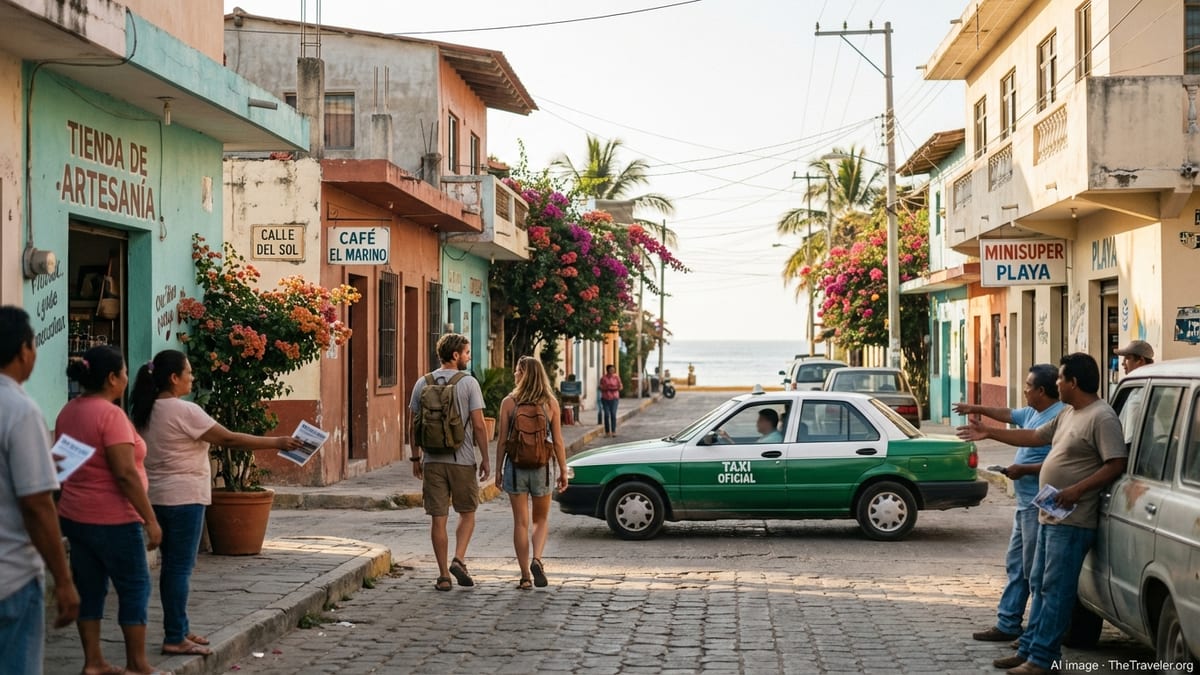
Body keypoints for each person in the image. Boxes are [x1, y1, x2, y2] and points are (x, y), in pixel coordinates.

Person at [958, 353, 1127, 675]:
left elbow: (1115, 463)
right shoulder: (1068, 413)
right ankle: (1030, 649)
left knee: (1057, 588)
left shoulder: (1101, 417)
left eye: (1061, 379)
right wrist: (991, 433)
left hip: (1073, 517)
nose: (1057, 384)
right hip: (1050, 512)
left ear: (1073, 382)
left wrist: (1077, 489)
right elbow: (1034, 436)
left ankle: (1043, 658)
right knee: (1040, 582)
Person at [131, 349, 302, 657]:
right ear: (173, 378)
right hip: (185, 498)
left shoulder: (145, 410)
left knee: (172, 567)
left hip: (157, 497)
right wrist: (276, 442)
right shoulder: (185, 411)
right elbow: (229, 439)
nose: (192, 377)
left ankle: (179, 627)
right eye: (188, 372)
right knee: (180, 569)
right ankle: (174, 635)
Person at [56, 345, 162, 675]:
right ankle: (137, 664)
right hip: (115, 519)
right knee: (134, 587)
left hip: (76, 515)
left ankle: (94, 662)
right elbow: (125, 473)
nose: (128, 378)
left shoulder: (69, 411)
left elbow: (63, 464)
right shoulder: (110, 415)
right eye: (125, 372)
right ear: (113, 378)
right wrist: (151, 519)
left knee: (90, 588)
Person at [953, 364, 1064, 644]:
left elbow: (1059, 464)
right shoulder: (1032, 411)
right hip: (1024, 502)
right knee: (1016, 565)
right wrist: (974, 407)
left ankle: (1035, 635)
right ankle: (1008, 622)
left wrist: (1023, 469)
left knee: (1034, 571)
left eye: (1028, 385)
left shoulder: (1059, 417)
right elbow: (1009, 415)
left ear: (1041, 390)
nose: (1024, 389)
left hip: (1041, 503)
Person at [0, 306, 79, 673]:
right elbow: (36, 504)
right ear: (23, 351)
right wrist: (63, 580)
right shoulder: (19, 409)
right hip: (11, 577)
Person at [409, 333, 490, 592]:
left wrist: (415, 458)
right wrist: (486, 458)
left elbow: (413, 425)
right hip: (462, 459)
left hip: (432, 460)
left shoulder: (423, 382)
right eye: (466, 353)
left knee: (438, 519)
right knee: (467, 513)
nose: (468, 357)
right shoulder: (468, 383)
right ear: (455, 356)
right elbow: (478, 425)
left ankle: (443, 575)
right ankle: (459, 558)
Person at [493, 356, 569, 590]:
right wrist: (563, 470)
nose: (514, 374)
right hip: (542, 468)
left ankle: (525, 576)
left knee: (520, 523)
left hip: (515, 468)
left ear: (523, 374)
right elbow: (557, 442)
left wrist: (498, 470)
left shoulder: (509, 402)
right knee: (541, 520)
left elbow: (502, 441)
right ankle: (537, 559)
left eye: (517, 371)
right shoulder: (550, 403)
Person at [1113, 340, 1153, 443]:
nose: (1122, 363)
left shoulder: (1141, 392)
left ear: (1141, 360)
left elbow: (1130, 439)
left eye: (1127, 358)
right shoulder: (1133, 387)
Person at [717, 409, 784, 444]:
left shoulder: (772, 439)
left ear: (768, 422)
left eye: (760, 420)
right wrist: (727, 438)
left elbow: (746, 454)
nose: (757, 423)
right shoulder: (770, 436)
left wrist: (728, 439)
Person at [599, 365, 621, 438]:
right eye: (611, 369)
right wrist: (607, 388)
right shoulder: (603, 378)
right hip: (605, 398)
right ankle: (607, 432)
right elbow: (600, 387)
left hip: (614, 398)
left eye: (613, 370)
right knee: (606, 414)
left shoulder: (616, 377)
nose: (612, 371)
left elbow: (620, 386)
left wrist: (614, 388)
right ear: (607, 370)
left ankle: (613, 431)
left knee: (613, 414)